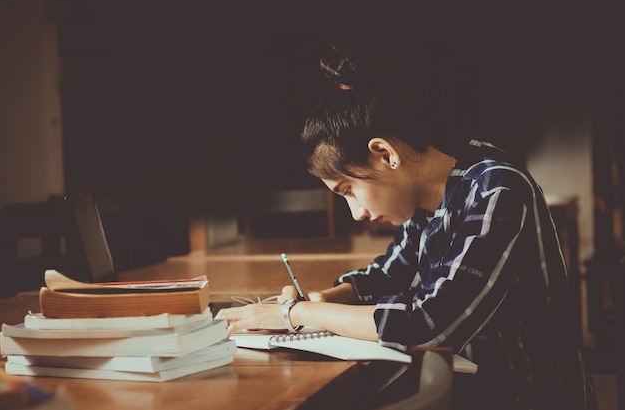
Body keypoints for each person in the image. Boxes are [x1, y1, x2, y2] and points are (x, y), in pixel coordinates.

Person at [216, 40, 596, 410]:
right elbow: (389, 275)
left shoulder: (498, 189)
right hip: (470, 390)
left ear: (385, 154)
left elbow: (430, 323)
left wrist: (295, 316)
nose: (356, 213)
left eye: (349, 190)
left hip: (528, 396)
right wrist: (329, 297)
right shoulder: (425, 201)